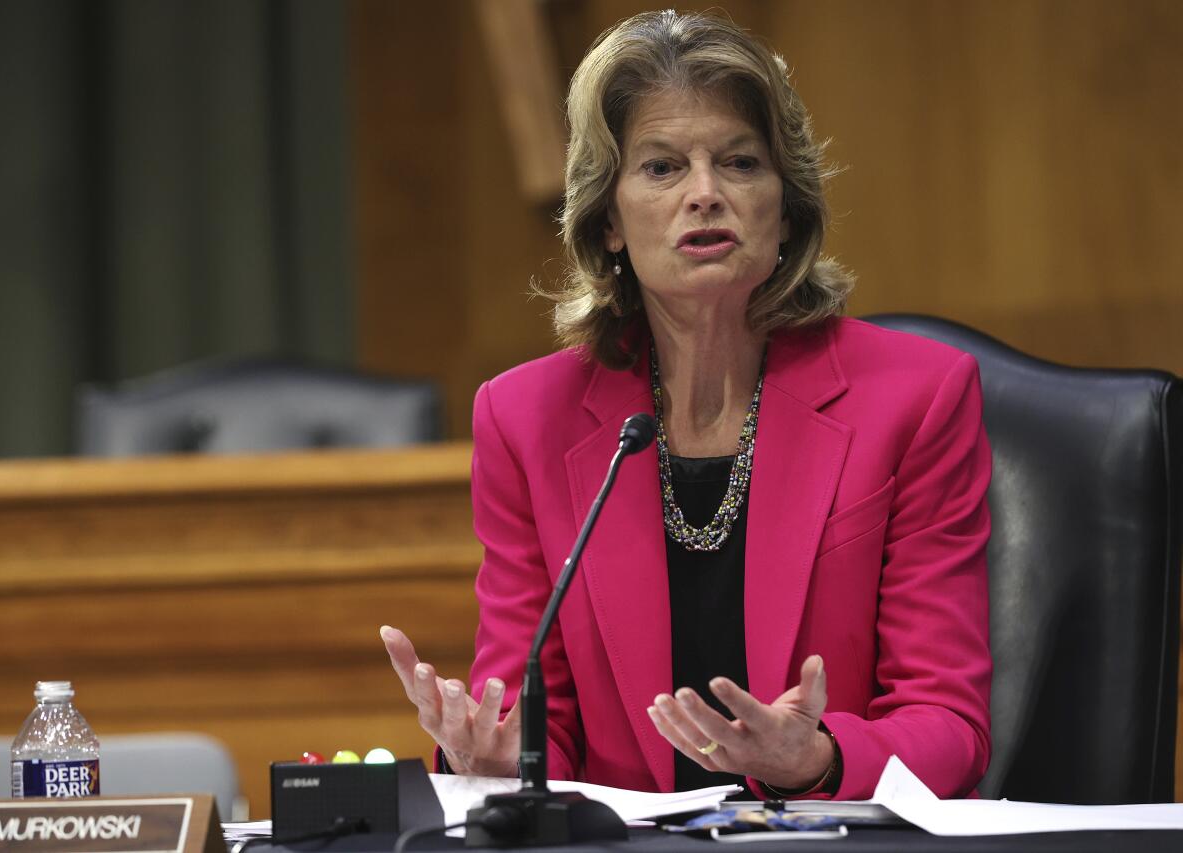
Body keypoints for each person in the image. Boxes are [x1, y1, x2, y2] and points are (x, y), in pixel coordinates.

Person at [381, 9, 991, 800]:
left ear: (786, 204)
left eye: (739, 162)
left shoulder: (915, 399)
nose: (705, 194)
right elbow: (542, 723)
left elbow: (950, 724)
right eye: (662, 168)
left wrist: (818, 758)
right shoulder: (526, 419)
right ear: (607, 219)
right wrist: (499, 757)